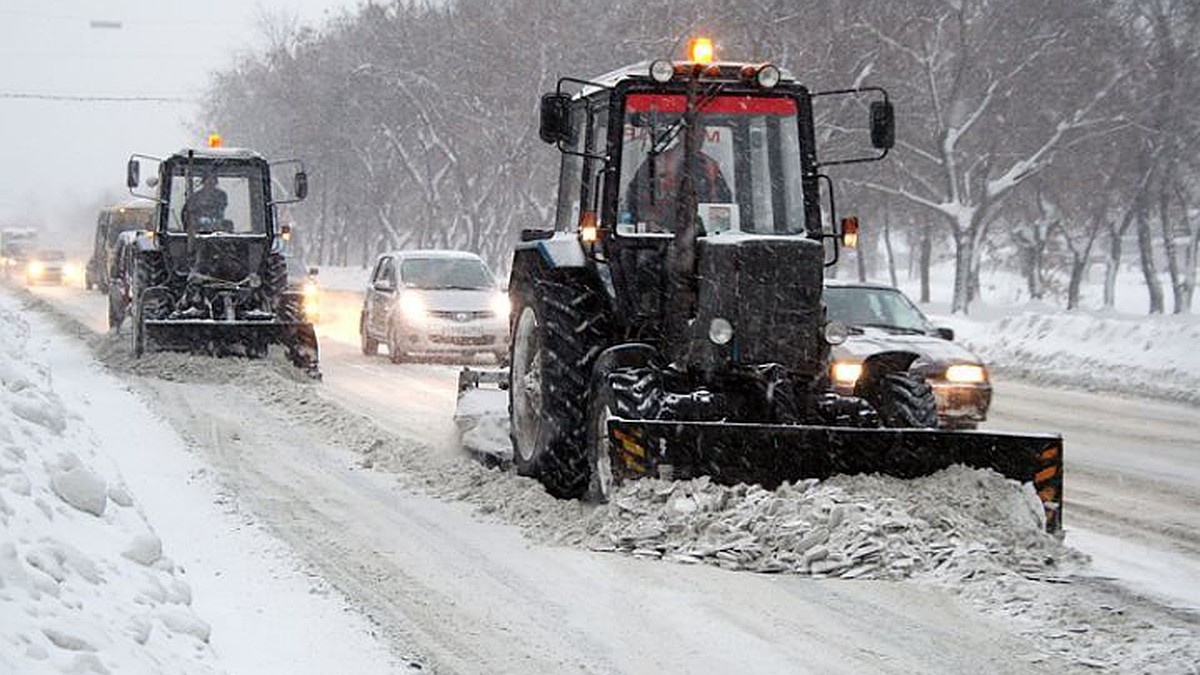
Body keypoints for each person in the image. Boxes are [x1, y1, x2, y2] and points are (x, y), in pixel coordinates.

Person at [625, 121, 732, 232]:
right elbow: (635, 200)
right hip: (661, 236)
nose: (699, 137)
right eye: (694, 132)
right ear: (681, 135)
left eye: (702, 133)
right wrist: (649, 222)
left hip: (702, 235)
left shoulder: (711, 166)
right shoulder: (657, 163)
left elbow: (724, 203)